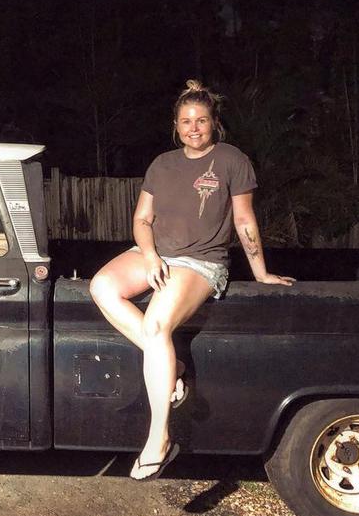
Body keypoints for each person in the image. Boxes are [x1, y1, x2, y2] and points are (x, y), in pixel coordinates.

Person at [89, 79, 295, 480]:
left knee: (156, 323)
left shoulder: (233, 160)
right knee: (101, 286)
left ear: (214, 123)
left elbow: (244, 220)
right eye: (186, 121)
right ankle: (174, 363)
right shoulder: (162, 164)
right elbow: (142, 220)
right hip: (157, 253)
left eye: (201, 120)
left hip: (201, 262)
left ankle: (159, 438)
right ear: (176, 125)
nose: (194, 128)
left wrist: (260, 272)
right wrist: (149, 255)